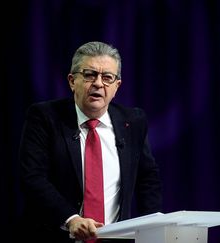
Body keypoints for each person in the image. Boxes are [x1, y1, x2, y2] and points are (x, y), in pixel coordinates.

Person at [18, 41, 163, 243]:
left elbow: (148, 179)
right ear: (71, 81)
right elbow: (33, 177)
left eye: (107, 77)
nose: (98, 83)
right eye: (89, 75)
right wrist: (71, 219)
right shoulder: (45, 117)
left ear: (116, 86)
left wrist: (152, 229)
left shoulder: (133, 122)